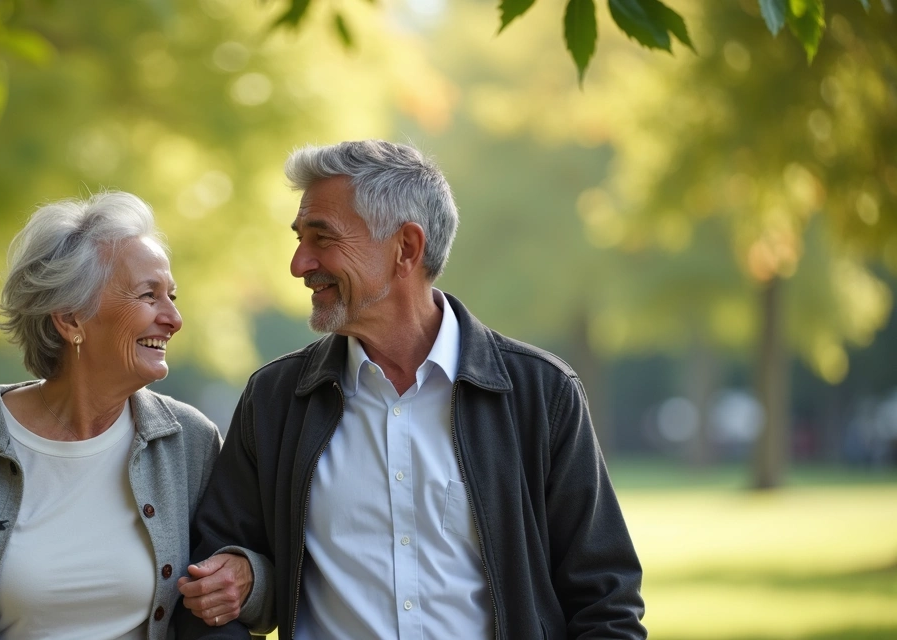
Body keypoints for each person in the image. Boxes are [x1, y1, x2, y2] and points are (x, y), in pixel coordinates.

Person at [176, 141, 646, 638]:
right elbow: (210, 586)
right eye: (299, 239)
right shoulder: (274, 400)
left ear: (406, 248)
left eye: (322, 238)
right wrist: (242, 574)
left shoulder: (542, 394)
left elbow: (605, 600)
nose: (299, 263)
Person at [0, 191, 267, 639]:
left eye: (172, 296)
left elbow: (264, 590)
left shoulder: (189, 440)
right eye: (149, 295)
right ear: (71, 319)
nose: (174, 318)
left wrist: (248, 576)